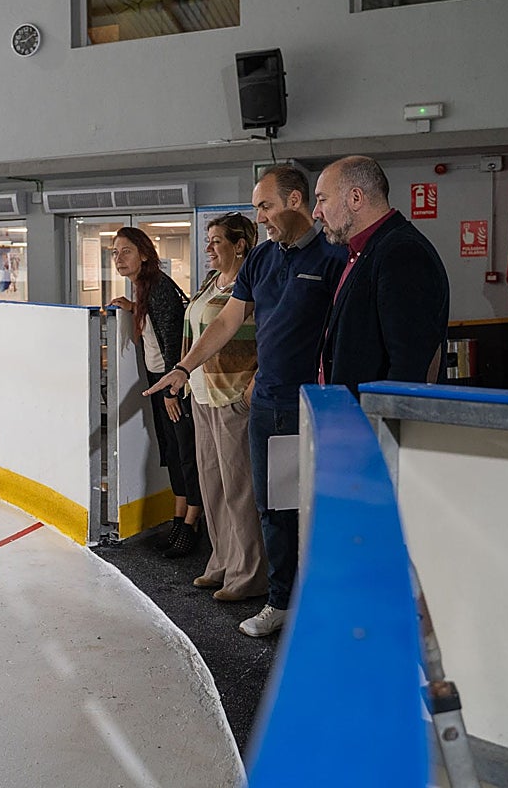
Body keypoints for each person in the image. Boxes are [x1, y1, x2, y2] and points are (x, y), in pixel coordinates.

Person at [145, 166, 346, 637]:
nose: (261, 216)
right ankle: (279, 601)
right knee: (272, 507)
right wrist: (183, 368)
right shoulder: (261, 261)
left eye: (265, 206)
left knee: (314, 506)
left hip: (315, 404)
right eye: (256, 207)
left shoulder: (334, 258)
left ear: (295, 201)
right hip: (270, 407)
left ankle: (318, 599)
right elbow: (225, 323)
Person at [313, 155, 450, 394]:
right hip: (352, 416)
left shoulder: (402, 253)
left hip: (374, 423)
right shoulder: (363, 252)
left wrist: (385, 425)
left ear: (355, 198)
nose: (316, 212)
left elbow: (410, 364)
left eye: (322, 200)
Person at [184, 213, 268, 601]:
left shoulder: (252, 285)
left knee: (239, 489)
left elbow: (270, 337)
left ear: (239, 245)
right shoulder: (208, 284)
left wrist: (255, 381)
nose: (209, 249)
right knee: (213, 486)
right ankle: (220, 561)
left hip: (233, 394)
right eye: (209, 241)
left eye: (216, 241)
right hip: (203, 393)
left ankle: (248, 574)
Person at [109, 226, 204, 558]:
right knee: (173, 452)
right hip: (159, 379)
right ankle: (179, 518)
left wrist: (171, 391)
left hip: (171, 382)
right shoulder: (144, 289)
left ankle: (192, 523)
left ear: (144, 254)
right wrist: (133, 309)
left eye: (126, 251)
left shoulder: (159, 289)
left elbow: (172, 339)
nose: (119, 258)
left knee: (185, 453)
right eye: (115, 253)